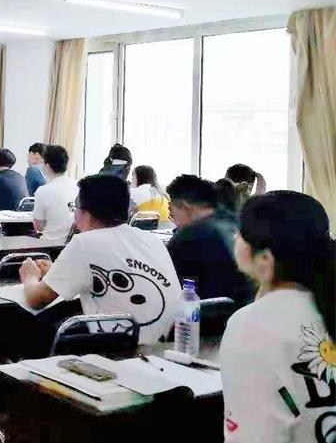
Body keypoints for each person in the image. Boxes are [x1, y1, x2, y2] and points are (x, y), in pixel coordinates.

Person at [221, 191, 334, 443]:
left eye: (241, 233)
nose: (235, 238)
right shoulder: (320, 304)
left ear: (265, 258)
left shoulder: (253, 324)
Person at [20, 174, 181, 347]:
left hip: (119, 351)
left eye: (75, 207)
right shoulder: (151, 240)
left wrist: (30, 276)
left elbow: (37, 299)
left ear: (85, 213)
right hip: (166, 348)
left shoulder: (84, 243)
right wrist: (56, 272)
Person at [165, 175, 254, 307]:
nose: (172, 216)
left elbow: (167, 286)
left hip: (208, 316)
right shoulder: (240, 223)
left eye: (172, 209)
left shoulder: (187, 237)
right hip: (248, 311)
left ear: (185, 207)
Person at [31, 145, 78, 243]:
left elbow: (38, 227)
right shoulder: (79, 186)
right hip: (74, 243)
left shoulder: (42, 191)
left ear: (47, 166)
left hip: (50, 244)